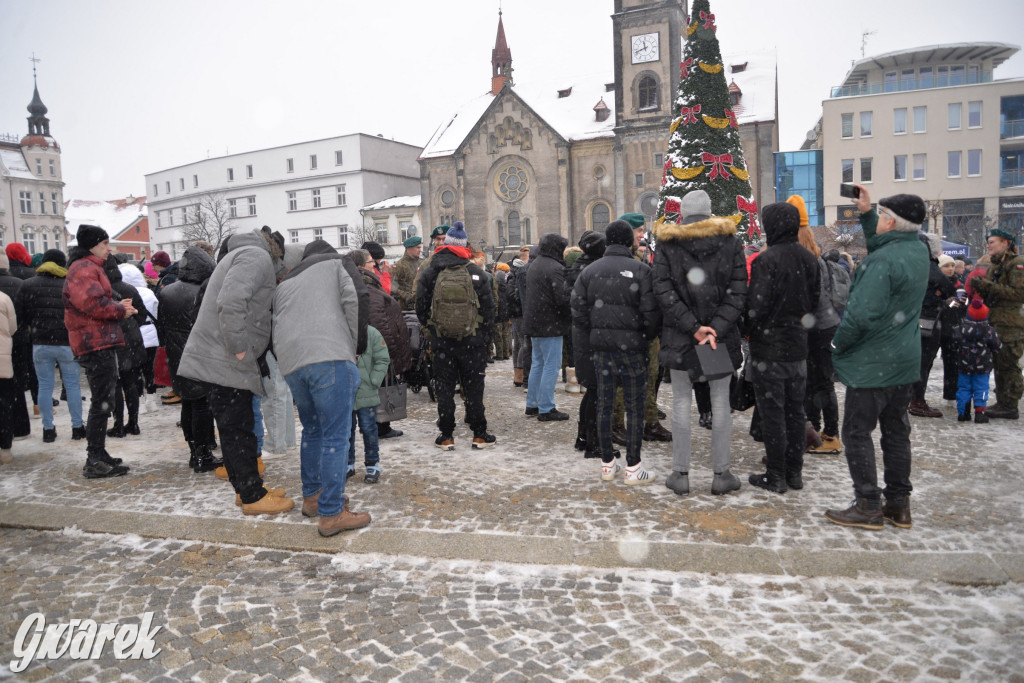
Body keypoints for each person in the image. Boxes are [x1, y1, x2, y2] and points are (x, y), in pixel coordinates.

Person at [825, 188, 929, 530]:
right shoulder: (915, 250)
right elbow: (885, 248)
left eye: (883, 215)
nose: (880, 219)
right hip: (902, 360)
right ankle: (898, 505)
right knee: (896, 433)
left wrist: (838, 345)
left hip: (873, 364)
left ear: (893, 222)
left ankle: (868, 504)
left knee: (856, 432)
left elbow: (861, 316)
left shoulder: (882, 262)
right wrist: (868, 214)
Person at [178, 229, 293, 515]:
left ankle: (248, 488)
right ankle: (252, 496)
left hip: (222, 358)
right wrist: (240, 347)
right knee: (237, 429)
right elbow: (230, 302)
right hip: (227, 359)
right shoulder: (255, 256)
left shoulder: (243, 255)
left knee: (236, 428)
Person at [652, 190, 746, 495]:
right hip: (716, 340)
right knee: (720, 404)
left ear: (683, 214)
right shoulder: (730, 243)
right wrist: (714, 329)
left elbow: (663, 291)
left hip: (681, 336)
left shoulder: (668, 244)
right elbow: (738, 291)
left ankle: (680, 474)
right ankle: (721, 474)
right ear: (709, 213)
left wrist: (693, 327)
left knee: (680, 402)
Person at [274, 240, 370, 535]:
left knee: (313, 431)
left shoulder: (287, 280)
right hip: (329, 356)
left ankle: (313, 497)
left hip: (293, 364)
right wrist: (356, 346)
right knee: (336, 436)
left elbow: (275, 320)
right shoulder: (339, 263)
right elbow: (357, 298)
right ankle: (331, 513)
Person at [573, 220, 660, 484]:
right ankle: (633, 466)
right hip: (633, 349)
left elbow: (577, 310)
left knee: (605, 405)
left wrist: (596, 333)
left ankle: (608, 464)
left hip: (601, 349)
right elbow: (652, 314)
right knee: (634, 407)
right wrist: (643, 337)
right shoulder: (641, 270)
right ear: (627, 241)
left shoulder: (589, 272)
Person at [744, 202, 820, 494]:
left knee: (773, 413)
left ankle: (776, 474)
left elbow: (757, 306)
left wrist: (749, 330)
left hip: (770, 349)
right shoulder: (809, 259)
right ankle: (794, 472)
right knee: (795, 411)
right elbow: (813, 304)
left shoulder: (767, 260)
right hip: (798, 347)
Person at [63, 225, 136, 479]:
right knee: (101, 402)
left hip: (98, 340)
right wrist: (119, 310)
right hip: (95, 342)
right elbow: (91, 303)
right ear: (92, 245)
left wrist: (117, 305)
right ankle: (94, 458)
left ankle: (98, 453)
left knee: (104, 400)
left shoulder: (89, 266)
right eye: (105, 243)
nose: (109, 248)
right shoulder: (84, 268)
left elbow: (95, 301)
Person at [415, 222, 496, 450]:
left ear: (447, 245)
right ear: (464, 246)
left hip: (442, 341)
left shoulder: (431, 271)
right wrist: (482, 337)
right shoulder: (476, 272)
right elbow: (489, 311)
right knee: (474, 388)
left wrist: (434, 329)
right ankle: (479, 434)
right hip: (473, 341)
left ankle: (447, 436)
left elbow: (420, 307)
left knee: (444, 388)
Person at [156, 245, 222, 472]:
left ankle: (195, 451)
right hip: (199, 353)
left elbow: (161, 326)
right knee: (202, 404)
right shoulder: (204, 291)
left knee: (188, 403)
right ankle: (204, 454)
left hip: (176, 355)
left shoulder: (167, 291)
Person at [789, 197, 843, 457]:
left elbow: (810, 299)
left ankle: (831, 434)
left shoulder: (807, 258)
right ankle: (817, 430)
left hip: (817, 328)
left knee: (820, 382)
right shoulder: (816, 254)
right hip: (823, 326)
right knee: (816, 382)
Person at [15, 249, 86, 442]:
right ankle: (78, 427)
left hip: (40, 343)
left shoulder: (28, 285)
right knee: (72, 386)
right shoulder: (71, 284)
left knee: (45, 386)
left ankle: (48, 430)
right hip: (67, 342)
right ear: (63, 264)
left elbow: (20, 316)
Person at [619, 212, 672, 442]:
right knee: (624, 382)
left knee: (650, 378)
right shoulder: (625, 262)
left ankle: (649, 423)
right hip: (631, 331)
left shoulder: (638, 260)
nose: (642, 235)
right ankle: (617, 424)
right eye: (638, 230)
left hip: (645, 331)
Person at [349, 248, 411, 439]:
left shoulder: (362, 285)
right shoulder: (366, 289)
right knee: (374, 389)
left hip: (361, 348)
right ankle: (378, 428)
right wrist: (387, 353)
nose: (374, 265)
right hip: (371, 350)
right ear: (361, 266)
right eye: (371, 262)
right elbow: (379, 323)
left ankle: (375, 427)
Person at [969, 228, 1024, 419]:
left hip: (1010, 324)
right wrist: (981, 290)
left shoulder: (1017, 264)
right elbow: (994, 293)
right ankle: (1003, 402)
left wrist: (988, 286)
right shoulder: (994, 266)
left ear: (1005, 243)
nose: (988, 245)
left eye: (992, 241)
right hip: (995, 320)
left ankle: (1010, 404)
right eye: (988, 242)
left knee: (1008, 363)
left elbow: (1018, 294)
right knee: (999, 364)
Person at [524, 232, 571, 422]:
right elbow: (562, 298)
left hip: (535, 322)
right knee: (551, 365)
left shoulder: (535, 264)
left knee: (538, 363)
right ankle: (546, 407)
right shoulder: (555, 267)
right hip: (550, 323)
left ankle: (532, 404)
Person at [568, 230, 607, 458]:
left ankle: (583, 437)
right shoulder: (592, 271)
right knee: (597, 393)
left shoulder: (578, 268)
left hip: (582, 336)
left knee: (592, 391)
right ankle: (593, 443)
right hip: (591, 337)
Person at [909, 236, 956, 417]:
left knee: (914, 362)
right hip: (927, 322)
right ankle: (917, 401)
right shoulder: (928, 265)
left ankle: (909, 398)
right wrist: (938, 295)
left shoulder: (907, 264)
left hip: (907, 321)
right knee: (923, 363)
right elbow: (948, 289)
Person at [103, 256, 149, 438]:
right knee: (130, 383)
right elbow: (143, 315)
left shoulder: (102, 291)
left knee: (115, 384)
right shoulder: (129, 288)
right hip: (131, 340)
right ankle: (134, 423)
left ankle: (118, 425)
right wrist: (130, 322)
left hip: (112, 341)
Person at [348, 325, 390, 484]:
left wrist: (374, 380)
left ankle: (372, 462)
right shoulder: (340, 330)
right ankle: (347, 463)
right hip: (345, 390)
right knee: (346, 430)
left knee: (369, 428)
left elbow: (383, 358)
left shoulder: (371, 333)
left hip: (367, 390)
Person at [955, 299, 1001, 422]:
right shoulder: (989, 330)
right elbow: (997, 346)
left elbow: (953, 344)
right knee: (981, 388)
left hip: (964, 366)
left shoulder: (960, 329)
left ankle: (963, 412)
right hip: (983, 367)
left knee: (964, 388)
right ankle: (980, 412)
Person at [507, 245, 531, 387]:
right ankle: (520, 373)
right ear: (523, 258)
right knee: (524, 343)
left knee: (519, 343)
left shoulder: (515, 271)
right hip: (519, 312)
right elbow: (512, 294)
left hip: (516, 312)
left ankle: (518, 375)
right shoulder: (517, 272)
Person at [0, 290, 17, 465]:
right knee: (4, 404)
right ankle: (5, 449)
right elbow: (12, 328)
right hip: (2, 358)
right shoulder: (4, 298)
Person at [392, 235, 422, 310]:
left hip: (420, 304)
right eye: (417, 248)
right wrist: (406, 296)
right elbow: (392, 285)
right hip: (405, 307)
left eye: (420, 247)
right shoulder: (399, 265)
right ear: (409, 248)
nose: (420, 250)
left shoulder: (422, 263)